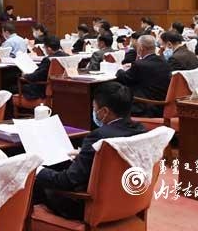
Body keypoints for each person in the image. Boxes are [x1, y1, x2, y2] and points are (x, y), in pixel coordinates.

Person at [33, 81, 146, 220]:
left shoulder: (98, 137)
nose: (94, 112)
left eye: (94, 108)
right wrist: (86, 155)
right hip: (128, 199)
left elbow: (67, 181)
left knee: (36, 181)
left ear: (104, 112)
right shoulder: (141, 130)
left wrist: (37, 170)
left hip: (90, 206)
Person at [115, 35, 171, 117]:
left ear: (141, 48)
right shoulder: (164, 62)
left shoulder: (139, 65)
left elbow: (125, 78)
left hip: (144, 107)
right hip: (161, 106)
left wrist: (119, 69)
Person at [22, 36, 67, 100]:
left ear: (49, 48)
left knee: (18, 87)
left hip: (44, 88)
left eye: (44, 47)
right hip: (62, 88)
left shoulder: (48, 60)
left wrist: (25, 75)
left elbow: (37, 76)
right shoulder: (67, 56)